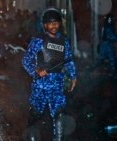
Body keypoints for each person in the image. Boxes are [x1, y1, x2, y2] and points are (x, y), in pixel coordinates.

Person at [21, 8, 77, 141]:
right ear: (45, 25)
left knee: (59, 114)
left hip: (57, 83)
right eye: (50, 23)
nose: (54, 26)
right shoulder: (38, 40)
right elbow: (25, 60)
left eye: (56, 23)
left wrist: (73, 76)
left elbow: (68, 61)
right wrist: (36, 70)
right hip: (40, 84)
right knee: (36, 114)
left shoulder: (64, 42)